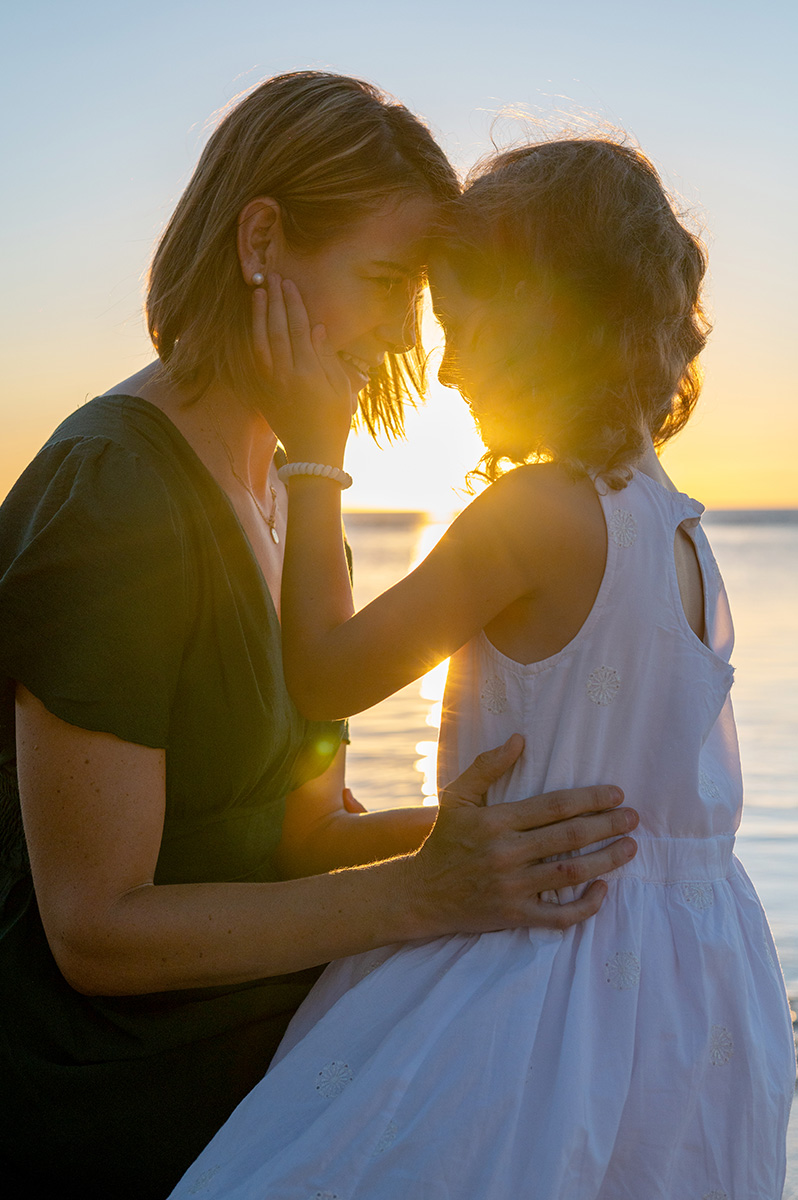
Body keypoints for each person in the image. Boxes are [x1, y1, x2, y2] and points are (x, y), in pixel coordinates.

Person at [0, 75, 638, 1199]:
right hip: (117, 1115)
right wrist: (423, 893)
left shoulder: (295, 490)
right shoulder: (116, 493)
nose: (406, 333)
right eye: (388, 284)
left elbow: (298, 838)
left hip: (278, 1078)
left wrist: (506, 847)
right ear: (261, 242)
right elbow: (92, 928)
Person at [168, 136, 796, 1199]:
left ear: (550, 318)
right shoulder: (676, 525)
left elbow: (322, 675)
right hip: (687, 996)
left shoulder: (533, 515)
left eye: (462, 329)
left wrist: (315, 454)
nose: (446, 369)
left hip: (532, 983)